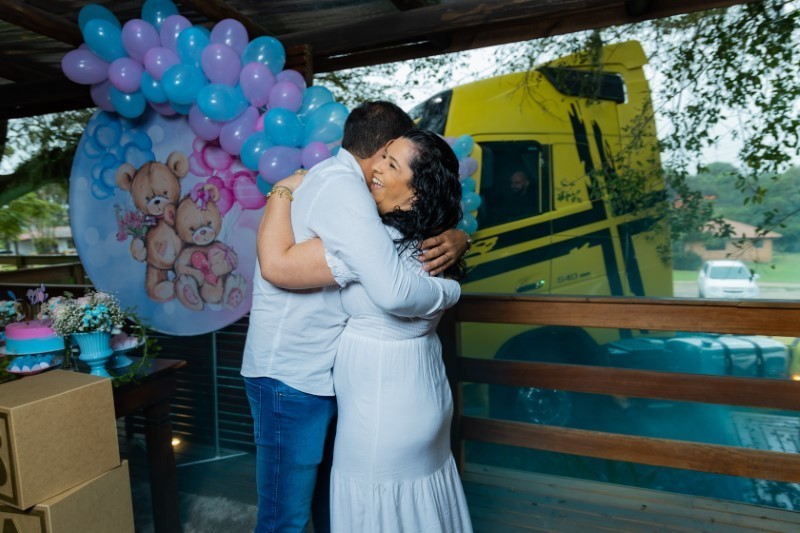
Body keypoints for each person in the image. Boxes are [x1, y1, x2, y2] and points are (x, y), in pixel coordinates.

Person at [241, 101, 469, 533]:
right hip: (292, 375)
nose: (383, 167)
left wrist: (459, 237)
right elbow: (277, 266)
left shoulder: (358, 196)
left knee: (337, 509)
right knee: (286, 519)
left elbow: (404, 248)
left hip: (333, 380)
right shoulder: (346, 193)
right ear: (383, 147)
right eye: (388, 157)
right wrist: (280, 193)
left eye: (394, 163)